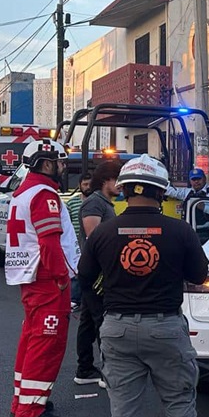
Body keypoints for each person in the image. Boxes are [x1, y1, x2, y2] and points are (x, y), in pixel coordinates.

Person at [78, 154, 209, 417]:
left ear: (124, 190)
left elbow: (84, 278)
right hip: (165, 328)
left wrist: (110, 295)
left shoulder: (105, 233)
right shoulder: (178, 230)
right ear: (161, 194)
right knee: (178, 402)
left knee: (123, 411)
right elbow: (200, 275)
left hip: (117, 328)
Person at [5, 138, 80, 417]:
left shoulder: (23, 191)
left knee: (32, 339)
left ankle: (24, 401)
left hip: (31, 277)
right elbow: (49, 242)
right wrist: (62, 278)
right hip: (48, 278)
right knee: (47, 343)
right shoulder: (44, 194)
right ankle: (30, 411)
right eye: (60, 162)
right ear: (46, 163)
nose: (63, 168)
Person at [72, 158, 124, 388]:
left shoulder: (105, 203)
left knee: (88, 321)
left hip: (94, 271)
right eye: (118, 180)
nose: (121, 186)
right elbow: (95, 239)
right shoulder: (95, 204)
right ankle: (108, 372)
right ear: (106, 180)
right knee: (103, 320)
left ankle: (85, 369)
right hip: (97, 272)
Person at [166, 167, 209, 241]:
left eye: (199, 179)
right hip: (190, 232)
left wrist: (205, 208)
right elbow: (171, 191)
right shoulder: (187, 192)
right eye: (194, 179)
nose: (196, 182)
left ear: (204, 178)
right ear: (190, 181)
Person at [66, 172, 94, 309]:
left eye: (90, 184)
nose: (88, 187)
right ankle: (75, 299)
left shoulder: (97, 202)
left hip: (91, 244)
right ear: (79, 186)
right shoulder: (72, 203)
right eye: (85, 184)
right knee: (76, 272)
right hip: (76, 244)